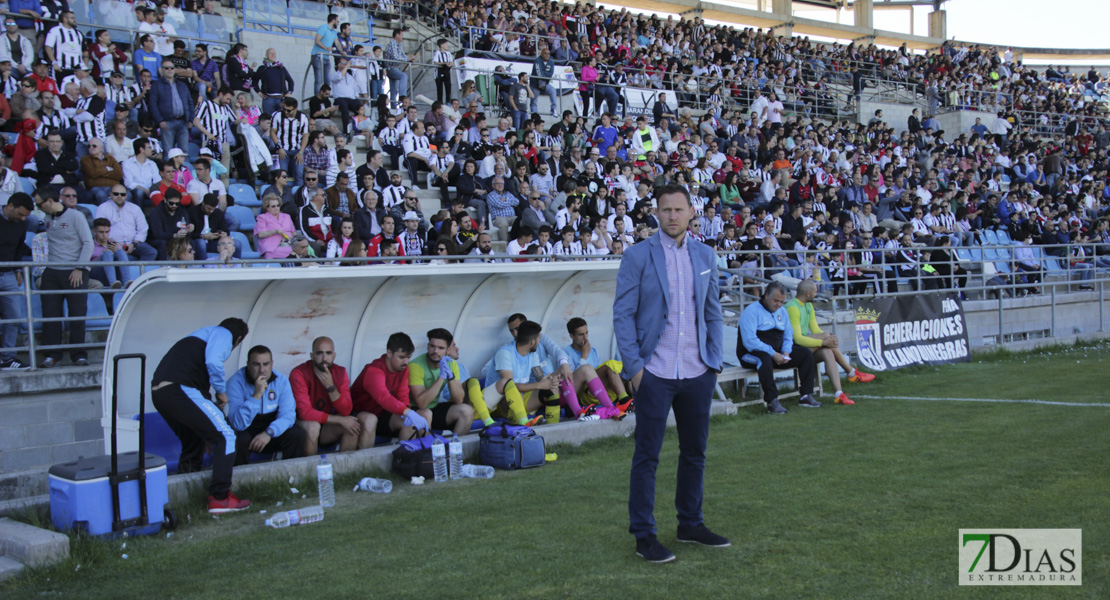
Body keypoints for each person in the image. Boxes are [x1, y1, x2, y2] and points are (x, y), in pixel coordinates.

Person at [613, 184, 728, 563]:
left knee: (695, 452)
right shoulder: (637, 256)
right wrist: (635, 369)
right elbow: (623, 315)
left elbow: (712, 311)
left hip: (698, 371)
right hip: (655, 372)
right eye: (666, 210)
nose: (673, 216)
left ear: (691, 212)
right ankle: (644, 535)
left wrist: (714, 361)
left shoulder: (706, 254)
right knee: (647, 456)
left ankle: (690, 524)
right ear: (656, 213)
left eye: (679, 209)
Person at [151, 317, 252, 513]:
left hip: (161, 394)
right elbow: (214, 361)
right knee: (226, 436)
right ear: (238, 339)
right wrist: (221, 391)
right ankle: (220, 498)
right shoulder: (223, 334)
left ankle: (185, 495)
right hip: (179, 389)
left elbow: (200, 391)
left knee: (193, 440)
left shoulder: (199, 339)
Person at [786, 279, 875, 406]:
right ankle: (851, 372)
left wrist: (830, 339)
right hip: (792, 349)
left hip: (805, 347)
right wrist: (824, 341)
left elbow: (816, 329)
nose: (816, 294)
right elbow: (798, 339)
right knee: (826, 340)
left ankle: (838, 394)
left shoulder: (808, 305)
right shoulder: (792, 308)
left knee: (828, 351)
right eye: (815, 292)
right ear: (807, 293)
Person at [739, 281, 820, 414]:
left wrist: (786, 351)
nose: (779, 305)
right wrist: (773, 353)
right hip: (750, 354)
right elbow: (749, 341)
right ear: (766, 296)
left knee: (805, 354)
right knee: (763, 359)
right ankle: (772, 401)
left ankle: (806, 396)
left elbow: (788, 335)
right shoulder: (751, 311)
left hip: (777, 353)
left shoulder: (782, 311)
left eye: (781, 302)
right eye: (776, 301)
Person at [38, 187, 93, 368]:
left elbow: (88, 243)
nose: (38, 207)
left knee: (77, 313)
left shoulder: (76, 216)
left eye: (39, 204)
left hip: (74, 270)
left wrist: (79, 267)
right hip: (52, 270)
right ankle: (52, 354)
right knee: (50, 314)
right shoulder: (47, 219)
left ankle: (78, 354)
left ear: (49, 202)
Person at [226, 344, 307, 466]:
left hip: (270, 430)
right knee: (239, 438)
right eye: (256, 364)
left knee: (296, 434)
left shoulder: (281, 380)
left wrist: (269, 432)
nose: (262, 370)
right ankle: (239, 480)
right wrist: (256, 396)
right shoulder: (235, 382)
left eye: (266, 364)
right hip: (247, 429)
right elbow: (238, 424)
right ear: (248, 364)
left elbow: (288, 415)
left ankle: (293, 477)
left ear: (272, 364)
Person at [291, 336, 373, 454]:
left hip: (326, 425)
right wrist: (339, 420)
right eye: (319, 353)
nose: (324, 358)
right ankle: (311, 471)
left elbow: (346, 410)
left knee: (352, 426)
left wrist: (331, 387)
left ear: (334, 355)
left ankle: (345, 470)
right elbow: (305, 413)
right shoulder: (299, 373)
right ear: (312, 355)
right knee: (313, 427)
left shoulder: (340, 372)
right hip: (302, 424)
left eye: (328, 353)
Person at [351, 332, 429, 441]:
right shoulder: (374, 370)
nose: (406, 362)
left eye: (409, 357)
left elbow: (403, 394)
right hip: (358, 415)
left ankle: (406, 456)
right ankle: (366, 458)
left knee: (410, 421)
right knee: (370, 420)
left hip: (383, 414)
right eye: (401, 357)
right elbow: (384, 398)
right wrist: (408, 412)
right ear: (389, 353)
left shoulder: (403, 368)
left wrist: (407, 410)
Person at [406, 328, 476, 436]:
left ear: (448, 350)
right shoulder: (416, 366)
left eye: (440, 348)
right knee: (426, 413)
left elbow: (459, 399)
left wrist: (451, 377)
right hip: (415, 411)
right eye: (432, 346)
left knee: (466, 410)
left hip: (434, 409)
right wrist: (441, 377)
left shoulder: (451, 364)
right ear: (428, 346)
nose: (435, 351)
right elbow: (422, 403)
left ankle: (455, 448)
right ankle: (427, 451)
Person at [564, 317, 634, 417]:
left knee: (622, 368)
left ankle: (633, 399)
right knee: (609, 365)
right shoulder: (566, 354)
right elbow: (571, 383)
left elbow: (600, 375)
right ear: (571, 336)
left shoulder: (593, 351)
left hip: (601, 391)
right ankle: (624, 400)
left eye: (586, 333)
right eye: (581, 335)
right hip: (585, 393)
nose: (585, 338)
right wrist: (584, 355)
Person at [0, 193, 32, 369]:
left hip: (10, 274)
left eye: (25, 215)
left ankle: (7, 358)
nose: (22, 218)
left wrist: (18, 268)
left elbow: (19, 248)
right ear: (10, 206)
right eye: (20, 214)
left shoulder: (22, 223)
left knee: (14, 317)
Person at [149, 59, 194, 153]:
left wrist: (190, 120)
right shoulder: (156, 85)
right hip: (167, 123)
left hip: (183, 122)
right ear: (162, 70)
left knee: (184, 151)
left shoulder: (182, 85)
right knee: (168, 151)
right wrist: (160, 121)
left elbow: (190, 102)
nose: (169, 70)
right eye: (166, 68)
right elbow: (152, 104)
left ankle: (185, 168)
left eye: (172, 68)